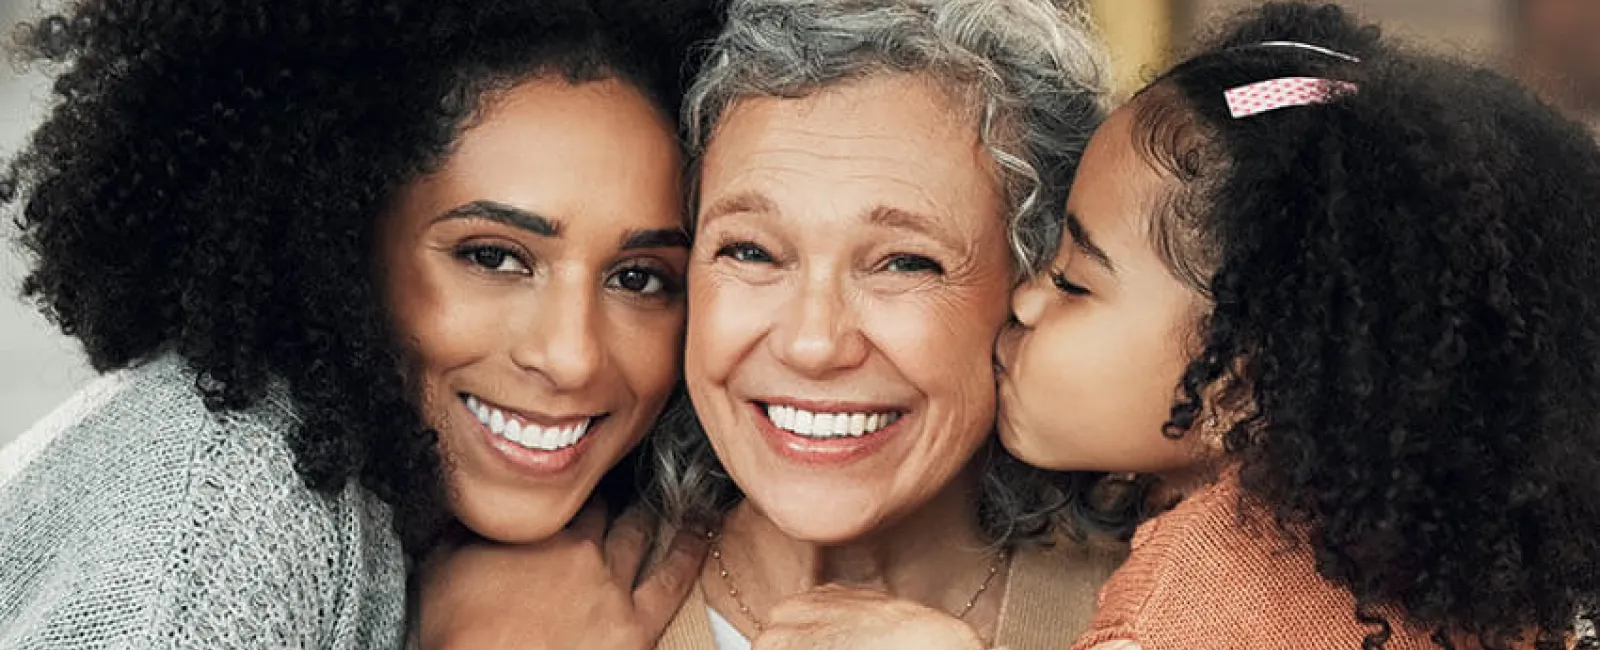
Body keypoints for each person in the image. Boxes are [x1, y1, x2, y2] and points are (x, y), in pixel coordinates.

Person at [754, 2, 1600, 649]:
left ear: (1237, 381)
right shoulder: (1435, 566)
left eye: (1075, 281)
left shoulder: (1188, 603)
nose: (1024, 299)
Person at [0, 0, 717, 646]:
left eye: (638, 278)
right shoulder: (229, 515)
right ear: (340, 239)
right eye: (493, 257)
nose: (572, 356)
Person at [642, 0, 1135, 648]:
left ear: (1034, 287)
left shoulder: (1174, 611)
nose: (813, 344)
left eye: (905, 263)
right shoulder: (558, 611)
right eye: (751, 252)